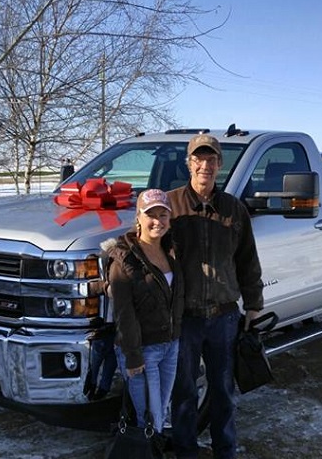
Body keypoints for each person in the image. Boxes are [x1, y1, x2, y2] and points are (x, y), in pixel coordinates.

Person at [168, 133, 264, 459]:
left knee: (223, 391)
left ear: (220, 165)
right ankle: (185, 452)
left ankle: (226, 451)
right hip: (185, 319)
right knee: (183, 392)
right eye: (198, 159)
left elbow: (248, 260)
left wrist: (253, 305)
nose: (204, 166)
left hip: (224, 317)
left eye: (211, 160)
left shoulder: (233, 209)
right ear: (189, 163)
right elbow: (143, 245)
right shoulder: (170, 205)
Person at [105, 188, 184, 433]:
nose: (157, 221)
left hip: (170, 345)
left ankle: (153, 448)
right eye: (151, 215)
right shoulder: (125, 260)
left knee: (159, 415)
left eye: (163, 215)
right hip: (143, 349)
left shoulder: (170, 251)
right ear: (138, 218)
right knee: (148, 418)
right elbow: (124, 313)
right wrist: (133, 356)